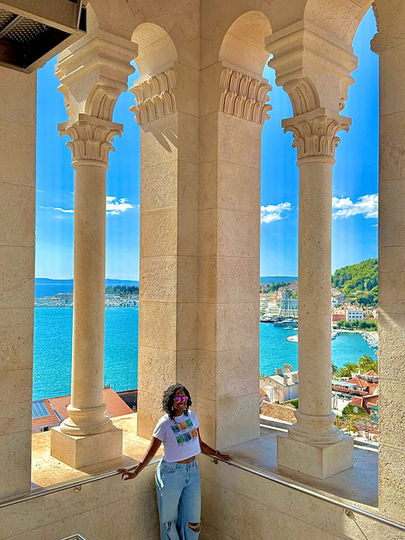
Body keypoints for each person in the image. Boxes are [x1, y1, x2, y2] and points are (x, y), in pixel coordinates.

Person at [119, 383, 231, 539]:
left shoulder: (192, 417)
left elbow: (199, 443)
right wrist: (136, 471)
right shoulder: (164, 424)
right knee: (168, 522)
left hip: (192, 472)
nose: (181, 401)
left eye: (184, 398)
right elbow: (151, 451)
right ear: (170, 401)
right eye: (177, 398)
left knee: (193, 521)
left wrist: (218, 454)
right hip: (171, 473)